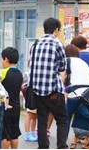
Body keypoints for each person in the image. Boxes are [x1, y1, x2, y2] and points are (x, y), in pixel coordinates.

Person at [30, 17, 68, 149]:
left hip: (37, 89)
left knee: (42, 119)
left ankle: (43, 146)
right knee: (62, 119)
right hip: (54, 89)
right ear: (56, 30)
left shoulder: (35, 44)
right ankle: (61, 146)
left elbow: (31, 64)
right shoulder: (57, 44)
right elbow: (63, 66)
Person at [64, 43, 89, 149]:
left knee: (66, 118)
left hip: (74, 92)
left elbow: (64, 77)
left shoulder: (67, 61)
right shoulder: (83, 62)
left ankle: (63, 142)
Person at [0, 47, 24, 149]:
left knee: (5, 134)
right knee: (14, 133)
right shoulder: (19, 74)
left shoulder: (3, 73)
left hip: (6, 107)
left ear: (6, 59)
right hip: (16, 106)